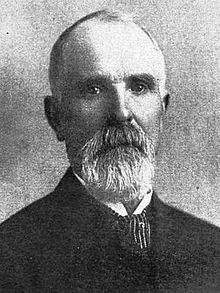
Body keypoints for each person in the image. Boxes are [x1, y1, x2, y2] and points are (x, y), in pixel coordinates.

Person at [0, 10, 219, 293]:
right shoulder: (9, 257)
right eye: (93, 89)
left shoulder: (212, 249)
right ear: (55, 117)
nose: (121, 112)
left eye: (139, 87)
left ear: (162, 109)